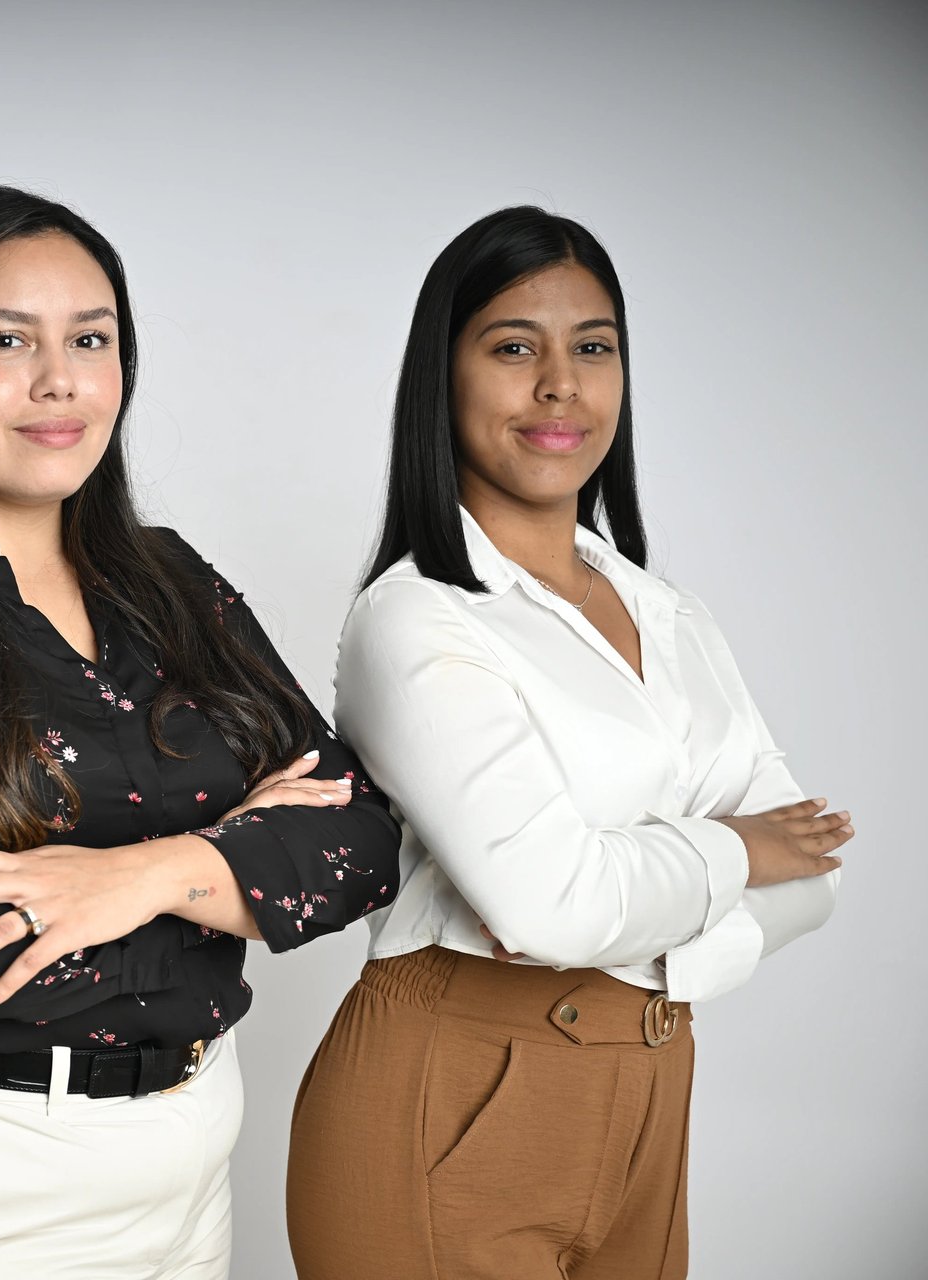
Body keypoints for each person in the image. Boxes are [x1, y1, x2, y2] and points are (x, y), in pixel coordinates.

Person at [0, 185, 402, 1279]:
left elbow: (365, 834)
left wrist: (144, 873)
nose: (59, 379)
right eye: (6, 339)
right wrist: (230, 875)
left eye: (90, 339)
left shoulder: (171, 575)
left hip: (189, 1142)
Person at [284, 206, 849, 1278]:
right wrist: (735, 850)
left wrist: (656, 941)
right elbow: (555, 905)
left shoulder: (672, 613)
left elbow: (813, 872)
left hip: (649, 1085)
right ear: (441, 378)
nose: (562, 385)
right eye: (513, 347)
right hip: (455, 1089)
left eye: (593, 347)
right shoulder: (418, 618)